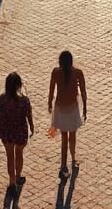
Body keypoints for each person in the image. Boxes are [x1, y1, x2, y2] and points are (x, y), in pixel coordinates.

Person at [0, 72, 34, 197]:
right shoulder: (24, 99)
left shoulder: (1, 99)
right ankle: (18, 176)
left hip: (6, 131)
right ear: (18, 85)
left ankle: (12, 183)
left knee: (10, 156)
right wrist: (32, 126)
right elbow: (29, 114)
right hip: (20, 130)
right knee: (19, 154)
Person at [48, 50, 87, 182]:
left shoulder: (56, 72)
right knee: (73, 136)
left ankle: (63, 165)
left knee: (64, 137)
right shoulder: (77, 73)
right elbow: (83, 91)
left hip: (60, 108)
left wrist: (49, 103)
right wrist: (85, 108)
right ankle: (73, 158)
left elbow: (51, 88)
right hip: (72, 108)